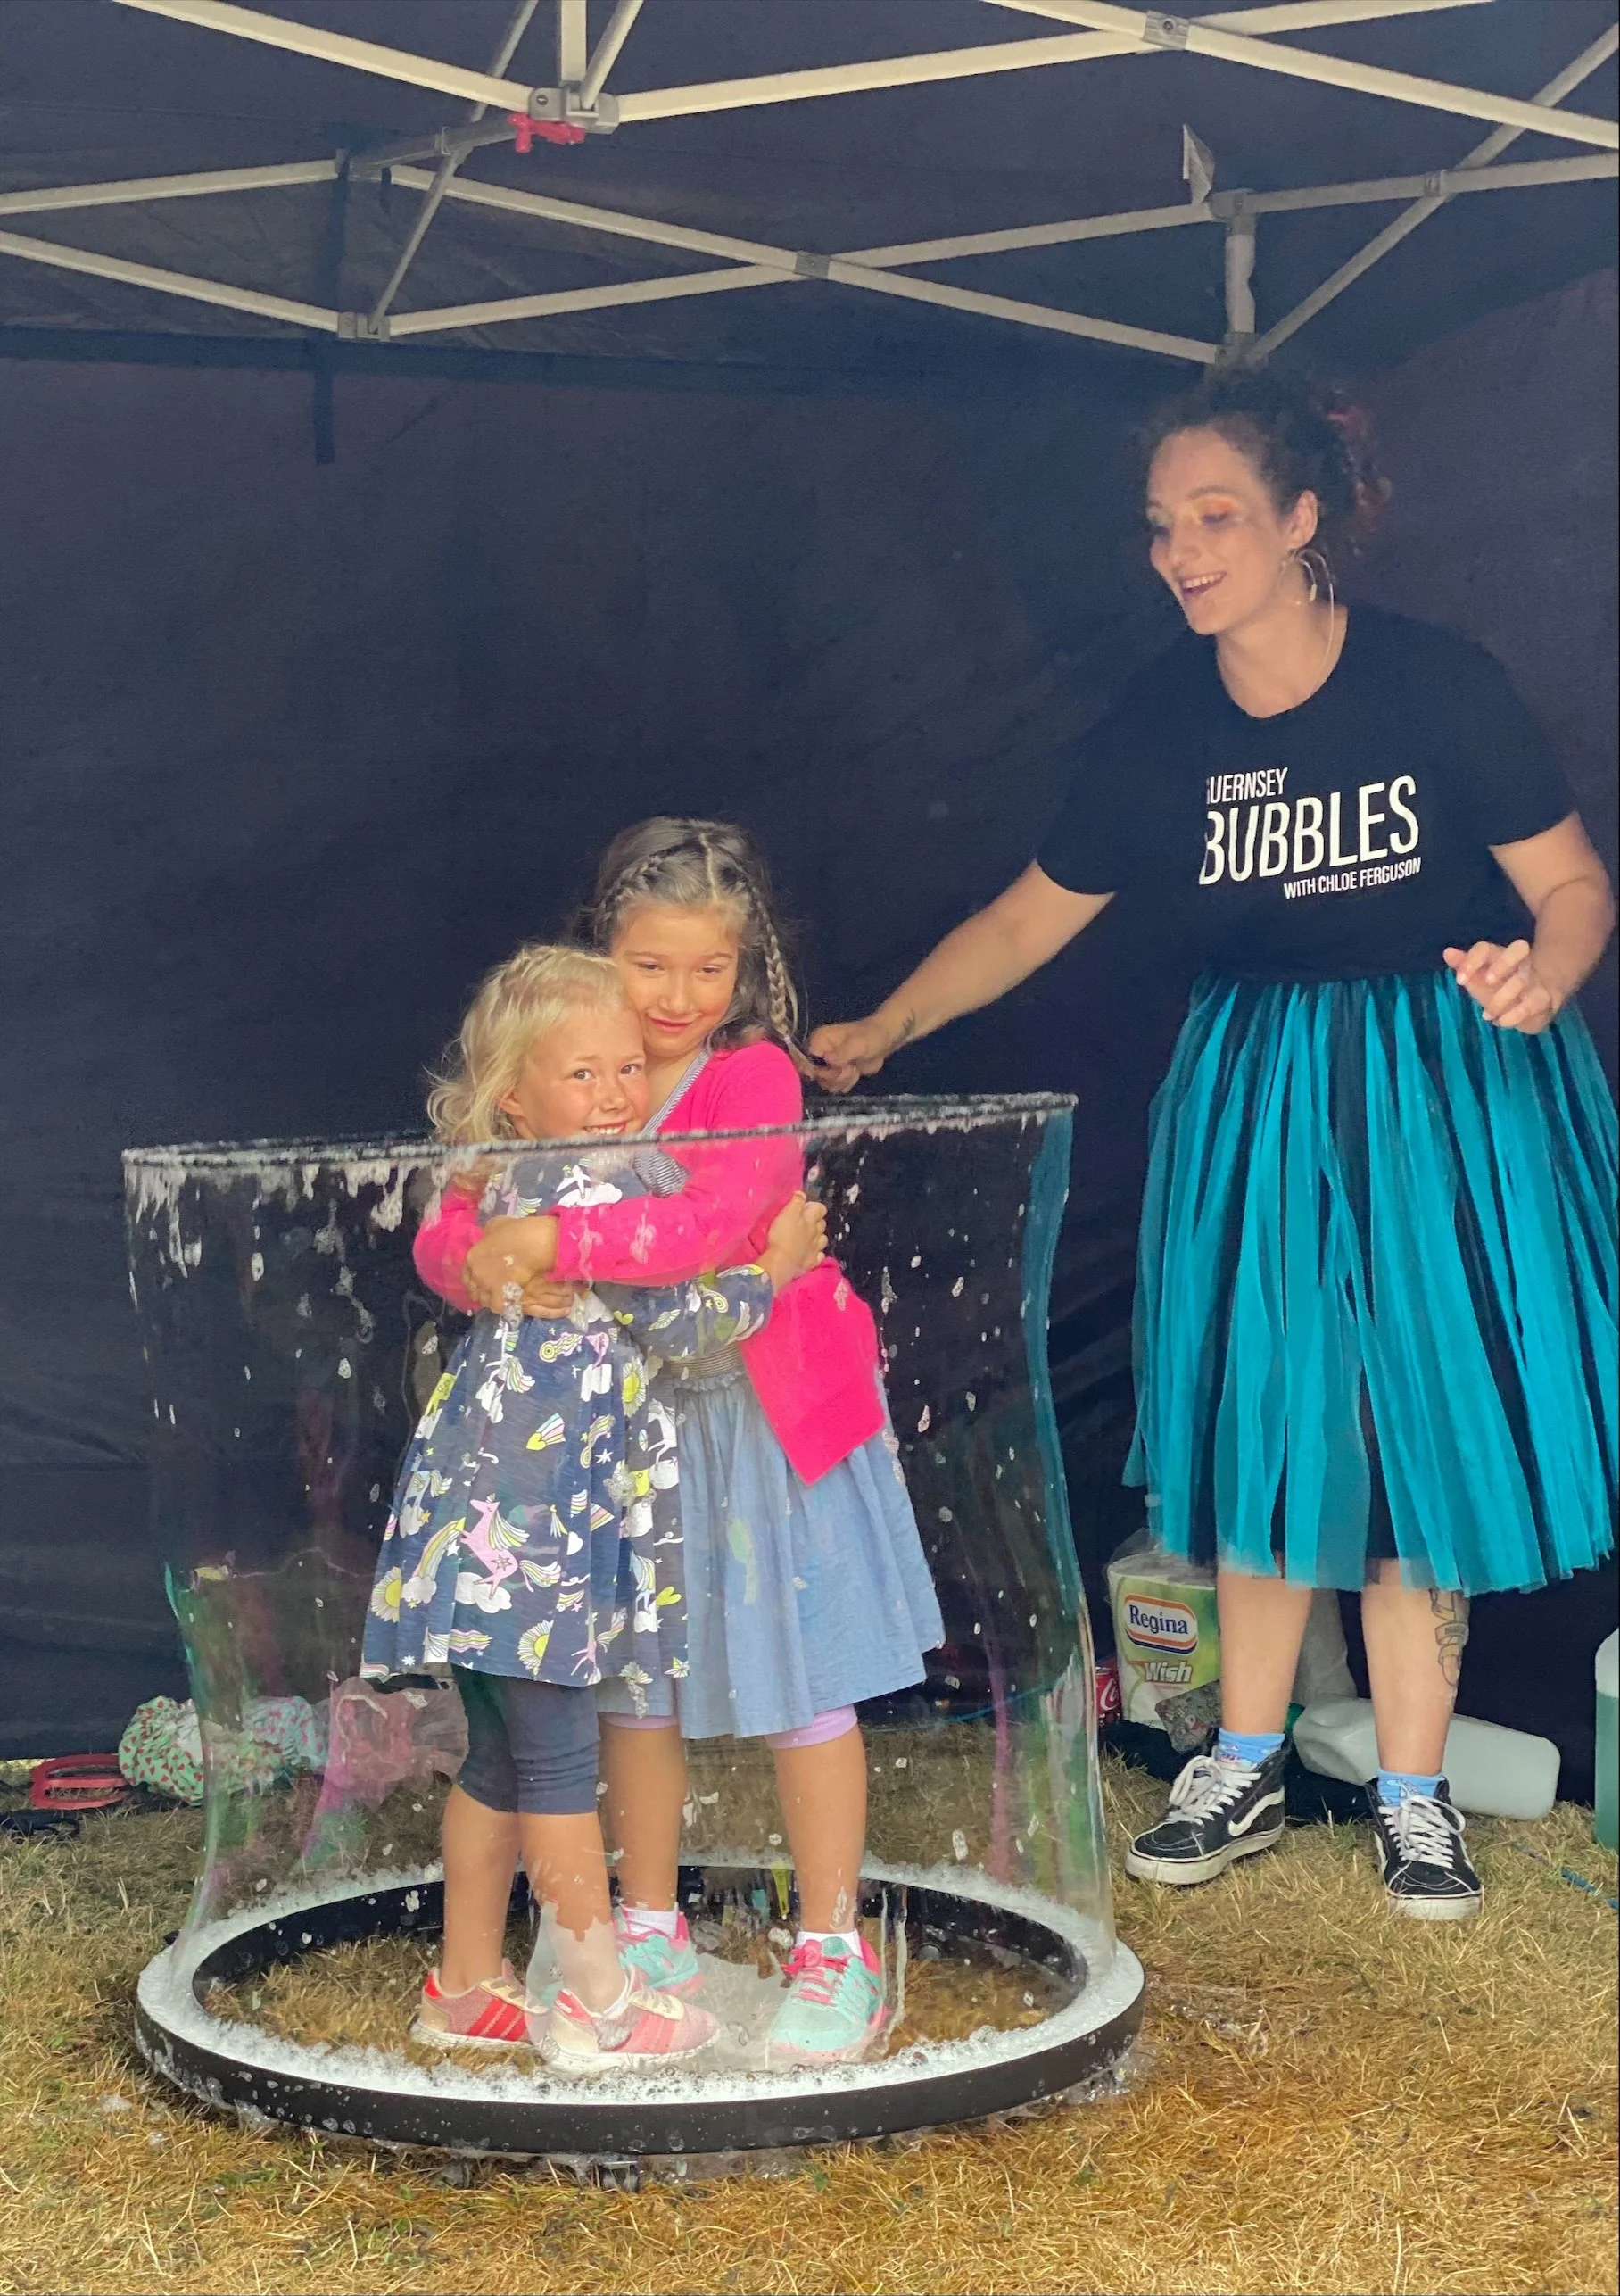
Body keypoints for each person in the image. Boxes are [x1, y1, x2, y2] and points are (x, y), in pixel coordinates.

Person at [810, 371, 1616, 1923]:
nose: (1181, 551)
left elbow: (1573, 883)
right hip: (1257, 1085)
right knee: (1268, 1423)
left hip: (1442, 1081)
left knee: (1410, 1438)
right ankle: (1241, 1757)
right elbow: (1030, 914)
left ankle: (1412, 1788)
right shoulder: (1160, 724)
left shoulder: (1436, 686)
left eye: (1217, 516)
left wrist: (1549, 968)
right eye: (1163, 526)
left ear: (1304, 520)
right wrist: (884, 1027)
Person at [414, 821, 944, 2060]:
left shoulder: (751, 1074)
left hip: (762, 1420)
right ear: (608, 946)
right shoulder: (567, 1057)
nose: (678, 998)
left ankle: (830, 1943)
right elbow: (456, 1211)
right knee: (632, 1687)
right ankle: (645, 1928)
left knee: (804, 1679)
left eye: (710, 970)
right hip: (622, 1437)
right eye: (653, 965)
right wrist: (483, 1268)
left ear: (746, 968)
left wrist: (557, 1244)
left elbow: (720, 1219)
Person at [363, 942, 827, 2067]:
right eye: (583, 1075)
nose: (617, 1093)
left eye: (628, 1069)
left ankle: (465, 1983)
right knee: (563, 1769)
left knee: (499, 1762)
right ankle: (598, 2003)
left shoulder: (504, 1182)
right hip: (542, 1536)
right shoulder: (600, 1184)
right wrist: (770, 1272)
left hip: (471, 1521)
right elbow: (669, 1324)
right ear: (511, 1095)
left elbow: (457, 1250)